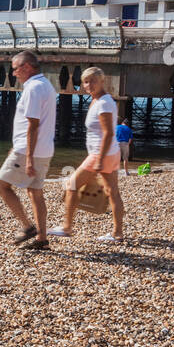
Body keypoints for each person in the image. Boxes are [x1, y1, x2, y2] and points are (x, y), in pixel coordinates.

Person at [47, 66, 125, 242]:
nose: (89, 85)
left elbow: (108, 133)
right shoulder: (99, 100)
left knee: (71, 184)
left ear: (102, 81)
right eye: (86, 81)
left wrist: (99, 161)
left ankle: (66, 227)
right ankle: (117, 233)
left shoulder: (104, 103)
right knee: (113, 192)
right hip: (110, 153)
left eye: (93, 81)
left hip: (101, 154)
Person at [0, 51, 56, 250]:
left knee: (1, 186)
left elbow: (33, 125)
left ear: (27, 67)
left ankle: (28, 227)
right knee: (35, 192)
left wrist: (27, 157)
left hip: (30, 151)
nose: (13, 74)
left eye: (15, 69)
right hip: (45, 150)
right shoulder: (46, 85)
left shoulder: (33, 88)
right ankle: (42, 239)